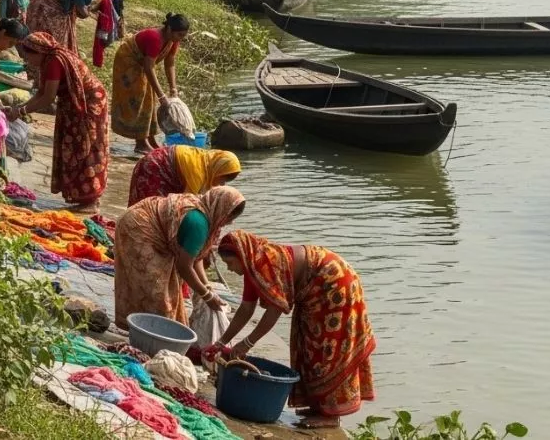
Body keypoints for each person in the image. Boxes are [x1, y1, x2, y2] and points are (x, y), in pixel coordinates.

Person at [212, 230, 376, 429]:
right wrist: (221, 342)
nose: (229, 269)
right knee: (306, 343)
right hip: (313, 290)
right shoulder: (250, 267)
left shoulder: (265, 263)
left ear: (241, 257)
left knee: (327, 350)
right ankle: (319, 407)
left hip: (335, 285)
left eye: (230, 263)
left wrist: (247, 343)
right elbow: (246, 309)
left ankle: (331, 415)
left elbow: (274, 311)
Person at [113, 186, 246, 329]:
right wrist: (206, 296)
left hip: (149, 225)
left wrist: (207, 286)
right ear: (220, 209)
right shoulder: (198, 223)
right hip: (137, 228)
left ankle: (145, 327)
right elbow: (184, 267)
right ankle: (146, 329)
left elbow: (196, 257)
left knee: (159, 288)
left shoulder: (206, 212)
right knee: (155, 290)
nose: (230, 222)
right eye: (229, 217)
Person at [11, 32, 110, 211]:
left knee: (86, 149)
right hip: (75, 105)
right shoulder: (49, 60)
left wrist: (20, 111)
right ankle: (84, 197)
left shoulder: (55, 62)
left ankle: (90, 200)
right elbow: (41, 94)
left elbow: (47, 98)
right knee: (74, 148)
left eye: (29, 56)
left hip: (87, 106)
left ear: (38, 52)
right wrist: (19, 109)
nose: (28, 61)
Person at [110, 13, 189, 154]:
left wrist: (173, 89)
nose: (181, 38)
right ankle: (141, 143)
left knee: (150, 99)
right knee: (140, 98)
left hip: (142, 63)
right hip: (128, 61)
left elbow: (170, 63)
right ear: (169, 29)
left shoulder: (173, 40)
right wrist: (162, 96)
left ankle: (150, 139)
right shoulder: (155, 38)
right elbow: (148, 67)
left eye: (183, 35)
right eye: (179, 35)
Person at [128, 145, 241, 206]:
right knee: (150, 207)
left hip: (163, 166)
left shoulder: (207, 160)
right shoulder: (198, 172)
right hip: (154, 167)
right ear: (218, 169)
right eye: (223, 178)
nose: (222, 184)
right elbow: (187, 204)